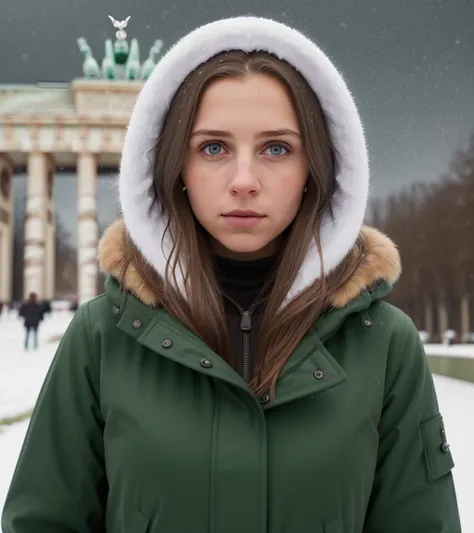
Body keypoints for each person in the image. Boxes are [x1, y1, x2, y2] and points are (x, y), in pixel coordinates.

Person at [2, 16, 461, 533]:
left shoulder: (386, 344)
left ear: (319, 168)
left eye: (276, 148)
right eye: (213, 147)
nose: (244, 181)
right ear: (175, 166)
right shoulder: (101, 337)